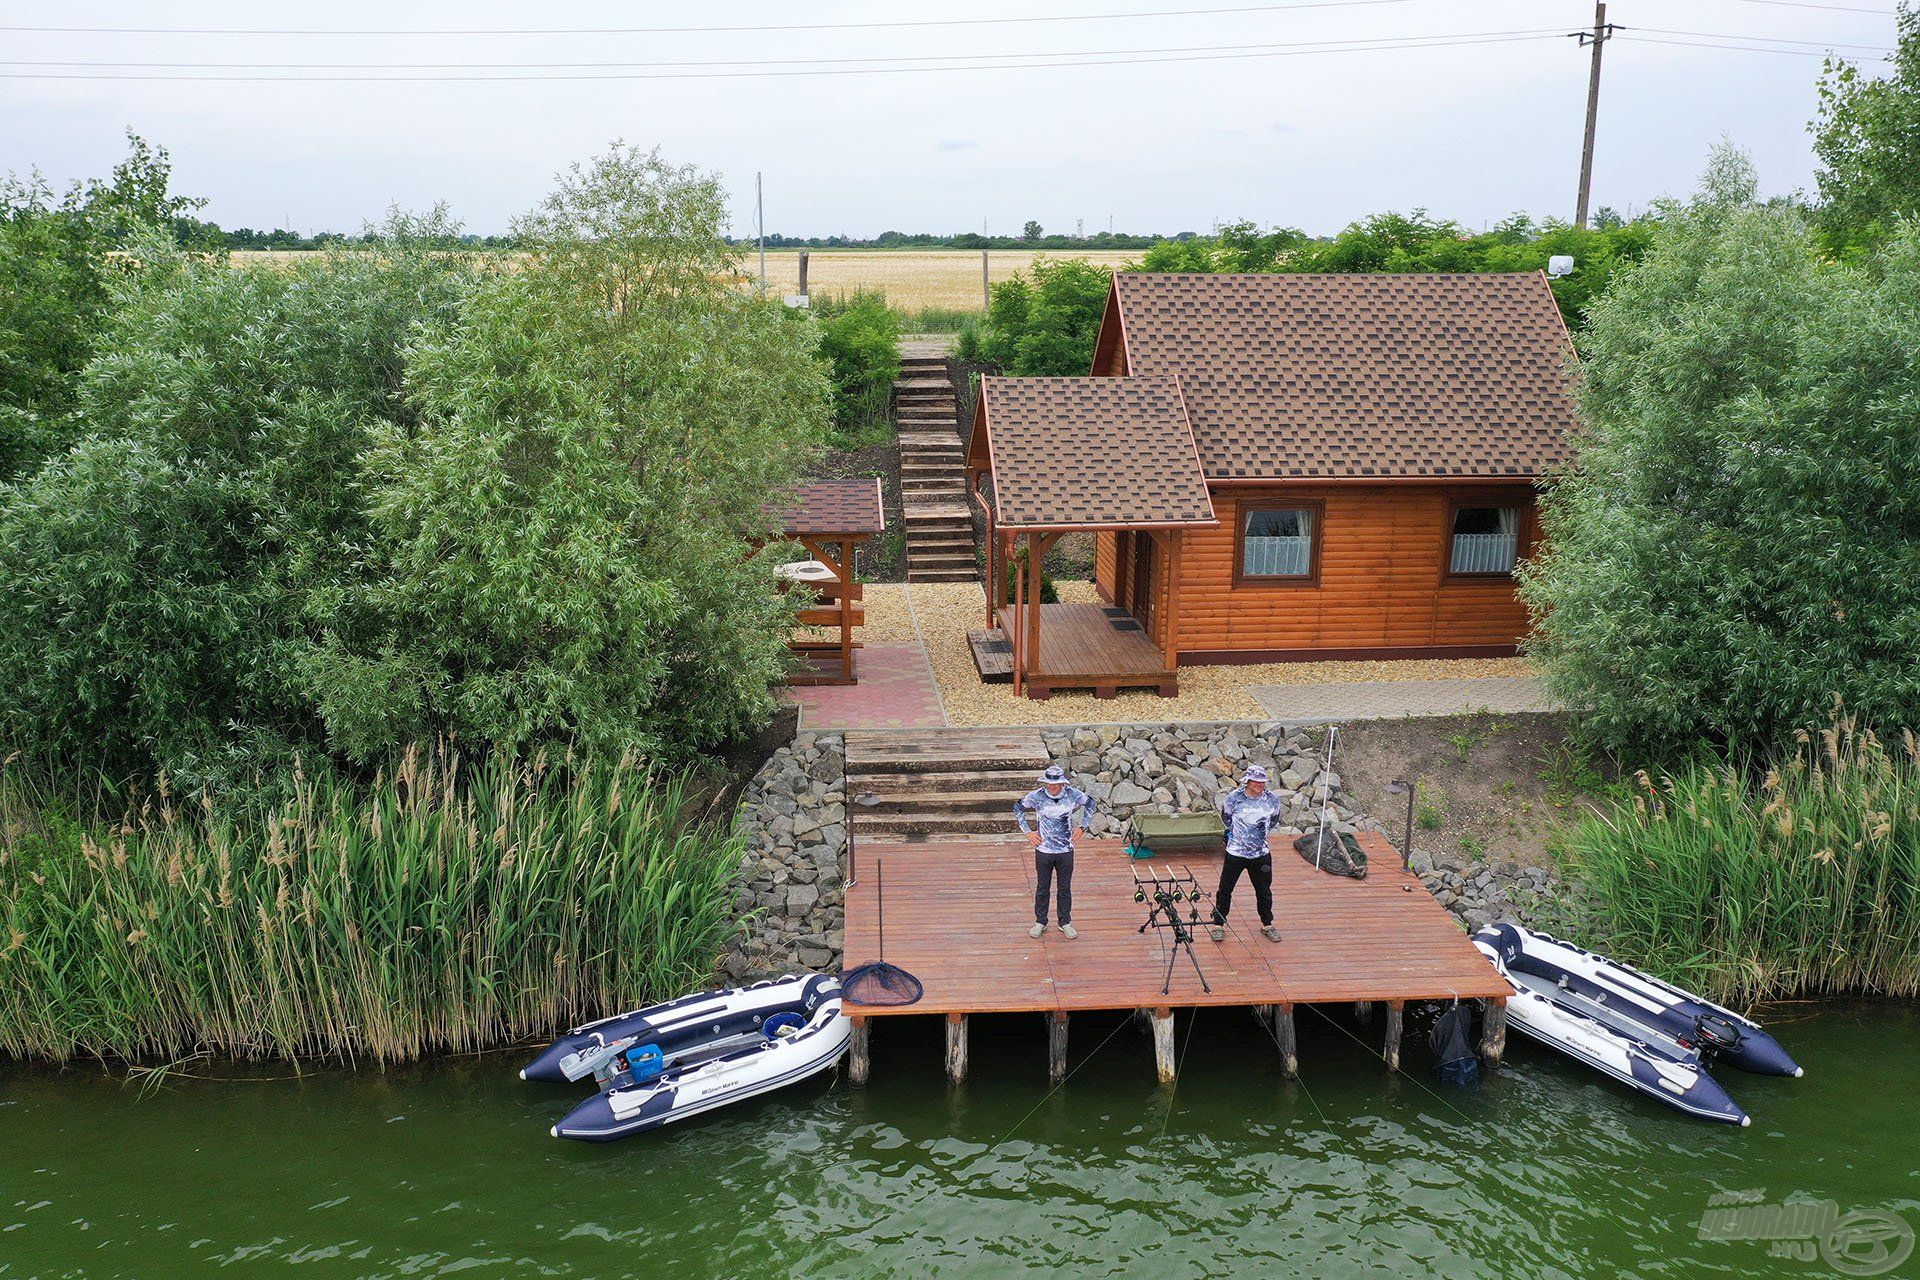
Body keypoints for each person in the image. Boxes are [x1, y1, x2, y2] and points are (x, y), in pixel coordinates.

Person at [1014, 764, 1094, 940]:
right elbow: (1018, 807)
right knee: (1043, 887)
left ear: (1062, 783)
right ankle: (1040, 922)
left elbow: (1090, 803)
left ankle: (1064, 922)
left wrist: (1082, 827)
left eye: (1055, 784)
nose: (1051, 787)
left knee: (1064, 888)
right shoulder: (1037, 796)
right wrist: (1028, 832)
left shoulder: (1073, 794)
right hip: (1044, 849)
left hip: (1066, 849)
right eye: (1049, 783)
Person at [1211, 764, 1284, 943]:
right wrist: (1239, 835)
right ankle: (1218, 925)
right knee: (1225, 889)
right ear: (1248, 781)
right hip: (1236, 852)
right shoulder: (1234, 798)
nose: (1260, 784)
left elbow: (1274, 819)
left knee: (1264, 891)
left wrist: (1258, 836)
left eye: (1262, 781)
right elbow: (1226, 817)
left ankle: (1267, 924)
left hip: (1261, 854)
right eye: (1256, 781)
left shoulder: (1272, 799)